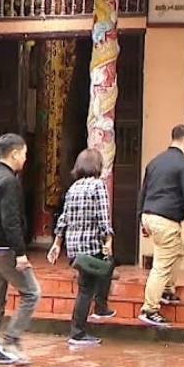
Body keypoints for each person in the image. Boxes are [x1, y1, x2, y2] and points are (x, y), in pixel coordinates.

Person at [0, 133, 41, 366]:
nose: (25, 159)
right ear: (14, 153)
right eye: (24, 154)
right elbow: (11, 221)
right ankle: (10, 340)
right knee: (32, 292)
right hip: (4, 247)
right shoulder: (8, 181)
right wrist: (21, 253)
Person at [47, 148, 115, 346]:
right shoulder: (98, 186)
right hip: (92, 245)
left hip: (75, 248)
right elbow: (103, 217)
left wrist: (57, 244)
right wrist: (108, 240)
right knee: (87, 288)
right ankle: (78, 332)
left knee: (87, 285)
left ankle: (99, 309)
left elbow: (64, 219)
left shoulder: (73, 188)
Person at [136, 125, 184, 328]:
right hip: (166, 219)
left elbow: (143, 192)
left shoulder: (155, 162)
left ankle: (167, 290)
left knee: (178, 251)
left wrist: (140, 218)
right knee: (161, 266)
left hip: (149, 215)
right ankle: (149, 309)